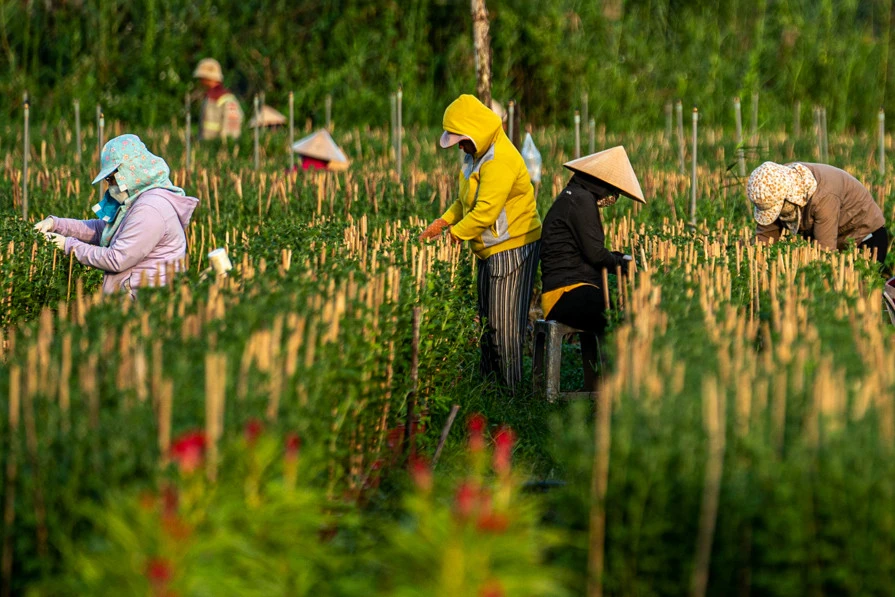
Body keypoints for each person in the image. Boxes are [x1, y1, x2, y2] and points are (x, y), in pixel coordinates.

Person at [420, 94, 542, 392]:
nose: (459, 146)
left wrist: (457, 234)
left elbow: (485, 211)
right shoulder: (475, 155)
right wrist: (444, 221)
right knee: (488, 322)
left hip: (513, 246)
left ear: (475, 132)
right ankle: (490, 386)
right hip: (490, 248)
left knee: (504, 326)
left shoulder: (499, 159)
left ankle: (511, 393)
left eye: (461, 140)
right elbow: (466, 201)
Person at [33, 134, 198, 298]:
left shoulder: (150, 209)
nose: (110, 185)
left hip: (146, 304)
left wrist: (67, 245)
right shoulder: (139, 200)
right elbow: (102, 231)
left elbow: (117, 259)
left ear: (130, 173)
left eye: (111, 179)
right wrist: (56, 224)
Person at [540, 146, 644, 336]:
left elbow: (590, 251)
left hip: (567, 290)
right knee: (620, 315)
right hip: (564, 294)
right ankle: (611, 366)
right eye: (613, 189)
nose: (613, 196)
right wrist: (625, 265)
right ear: (602, 182)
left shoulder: (576, 195)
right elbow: (596, 255)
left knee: (617, 308)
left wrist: (621, 259)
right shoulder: (581, 200)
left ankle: (601, 365)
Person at [748, 161, 889, 265]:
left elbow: (825, 253)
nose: (777, 215)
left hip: (866, 240)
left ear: (789, 198)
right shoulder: (775, 183)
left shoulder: (824, 196)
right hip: (840, 244)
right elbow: (765, 239)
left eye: (777, 209)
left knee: (857, 296)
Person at [193, 58, 244, 141]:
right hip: (207, 148)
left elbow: (231, 132)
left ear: (208, 79)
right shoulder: (208, 98)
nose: (200, 82)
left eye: (201, 79)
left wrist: (223, 147)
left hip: (219, 149)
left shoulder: (227, 99)